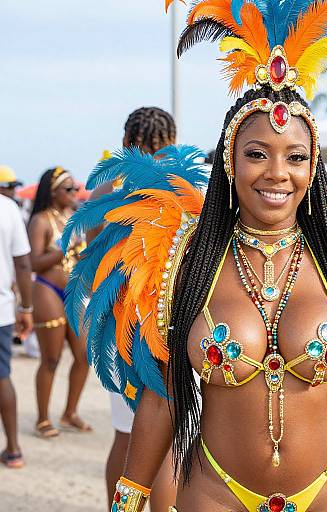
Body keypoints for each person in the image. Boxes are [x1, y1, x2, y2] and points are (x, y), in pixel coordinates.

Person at [66, 1, 327, 510]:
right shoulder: (182, 258)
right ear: (230, 161)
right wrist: (129, 500)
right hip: (216, 493)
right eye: (257, 153)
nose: (278, 172)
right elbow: (163, 394)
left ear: (313, 167)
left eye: (296, 157)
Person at [87, 106, 178, 511]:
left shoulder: (105, 193)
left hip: (117, 322)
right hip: (167, 322)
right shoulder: (180, 186)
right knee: (169, 435)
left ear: (126, 142)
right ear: (173, 142)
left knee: (125, 435)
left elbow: (92, 257)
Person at [27, 167, 90, 438]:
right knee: (51, 359)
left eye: (75, 188)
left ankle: (69, 412)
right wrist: (65, 249)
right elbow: (34, 262)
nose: (74, 193)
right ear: (52, 193)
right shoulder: (40, 221)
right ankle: (42, 418)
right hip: (47, 290)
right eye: (69, 189)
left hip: (73, 291)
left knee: (84, 355)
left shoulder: (74, 219)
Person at [0, 193, 32, 468]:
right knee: (2, 377)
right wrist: (27, 308)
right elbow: (22, 263)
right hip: (1, 310)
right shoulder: (8, 208)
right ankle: (13, 449)